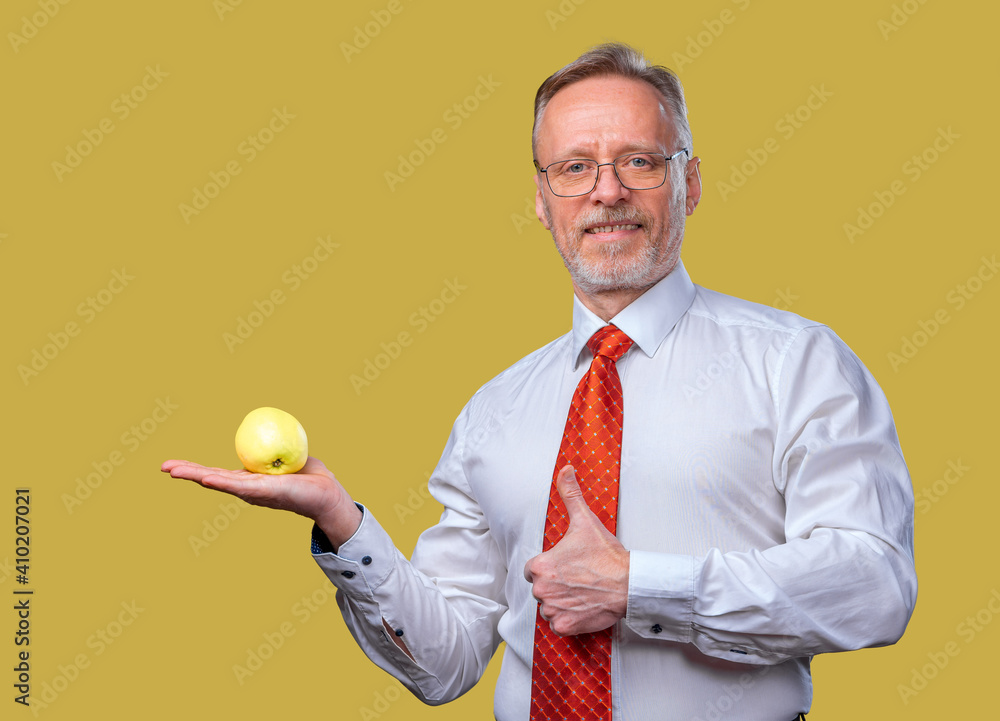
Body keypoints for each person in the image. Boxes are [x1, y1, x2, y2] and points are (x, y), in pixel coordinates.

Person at [163, 42, 917, 721]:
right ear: (541, 199)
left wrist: (641, 587)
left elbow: (874, 584)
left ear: (688, 183)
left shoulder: (797, 363)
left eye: (640, 161)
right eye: (574, 167)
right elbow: (445, 661)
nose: (607, 191)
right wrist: (343, 523)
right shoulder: (494, 410)